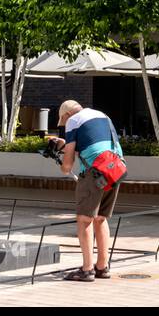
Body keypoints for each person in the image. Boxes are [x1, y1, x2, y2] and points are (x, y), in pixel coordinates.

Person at [47, 99, 124, 282]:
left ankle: (87, 270)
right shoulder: (101, 115)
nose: (64, 125)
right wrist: (63, 144)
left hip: (94, 172)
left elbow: (68, 164)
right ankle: (102, 267)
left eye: (63, 122)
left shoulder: (74, 120)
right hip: (115, 167)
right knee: (100, 218)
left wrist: (63, 166)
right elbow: (93, 143)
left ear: (66, 115)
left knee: (84, 220)